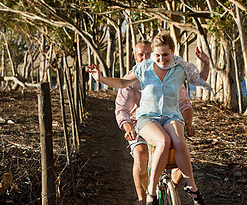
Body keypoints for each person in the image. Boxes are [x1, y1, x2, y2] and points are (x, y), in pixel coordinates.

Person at [87, 31, 210, 205]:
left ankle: (192, 188)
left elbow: (200, 80)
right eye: (157, 55)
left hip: (171, 116)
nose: (161, 59)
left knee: (180, 142)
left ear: (173, 51)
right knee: (163, 142)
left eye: (165, 55)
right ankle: (150, 193)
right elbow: (122, 83)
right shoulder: (143, 69)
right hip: (147, 118)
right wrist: (100, 78)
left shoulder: (180, 69)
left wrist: (206, 62)